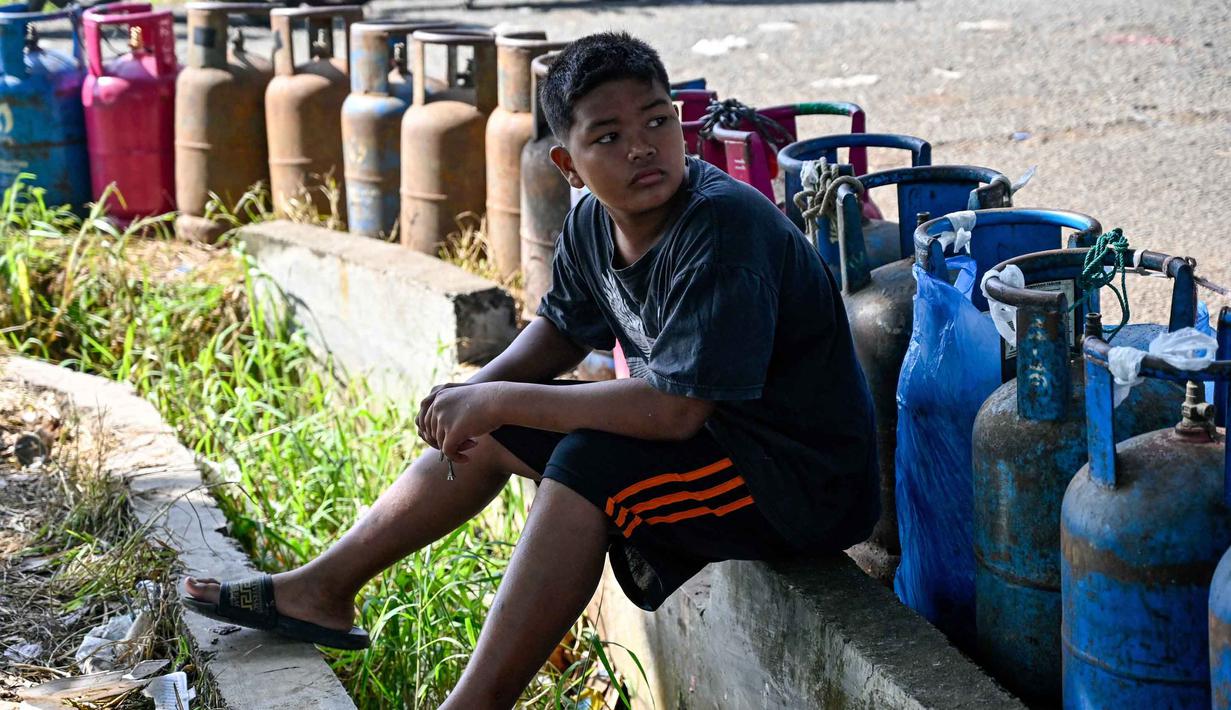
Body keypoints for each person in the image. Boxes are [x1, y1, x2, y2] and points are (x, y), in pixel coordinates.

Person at [182, 31, 878, 708]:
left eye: (657, 122)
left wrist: (502, 399)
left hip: (793, 478)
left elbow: (673, 411)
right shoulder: (593, 220)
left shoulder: (723, 232)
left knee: (590, 467)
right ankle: (321, 590)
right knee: (492, 428)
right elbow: (558, 331)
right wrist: (477, 393)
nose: (641, 147)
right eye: (607, 137)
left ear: (682, 129)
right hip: (712, 445)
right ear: (568, 166)